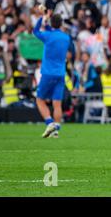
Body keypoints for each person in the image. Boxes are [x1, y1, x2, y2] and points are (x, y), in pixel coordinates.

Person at [33, 8, 70, 138]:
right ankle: (55, 131)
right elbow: (54, 32)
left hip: (48, 73)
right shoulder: (66, 38)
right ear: (61, 24)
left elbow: (35, 31)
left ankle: (49, 123)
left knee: (40, 100)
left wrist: (43, 18)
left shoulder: (47, 36)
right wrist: (48, 20)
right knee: (57, 103)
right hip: (60, 74)